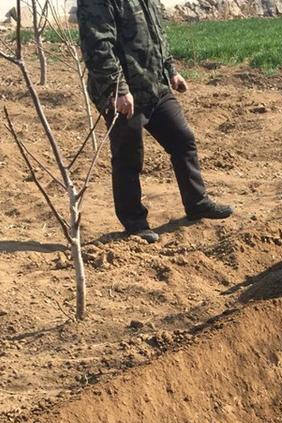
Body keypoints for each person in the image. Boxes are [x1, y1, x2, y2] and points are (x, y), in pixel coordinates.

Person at [76, 0, 232, 243]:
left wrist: (170, 70)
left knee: (183, 139)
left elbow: (156, 33)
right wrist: (117, 89)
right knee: (129, 157)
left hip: (154, 87)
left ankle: (197, 203)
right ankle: (135, 224)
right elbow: (97, 46)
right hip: (122, 93)